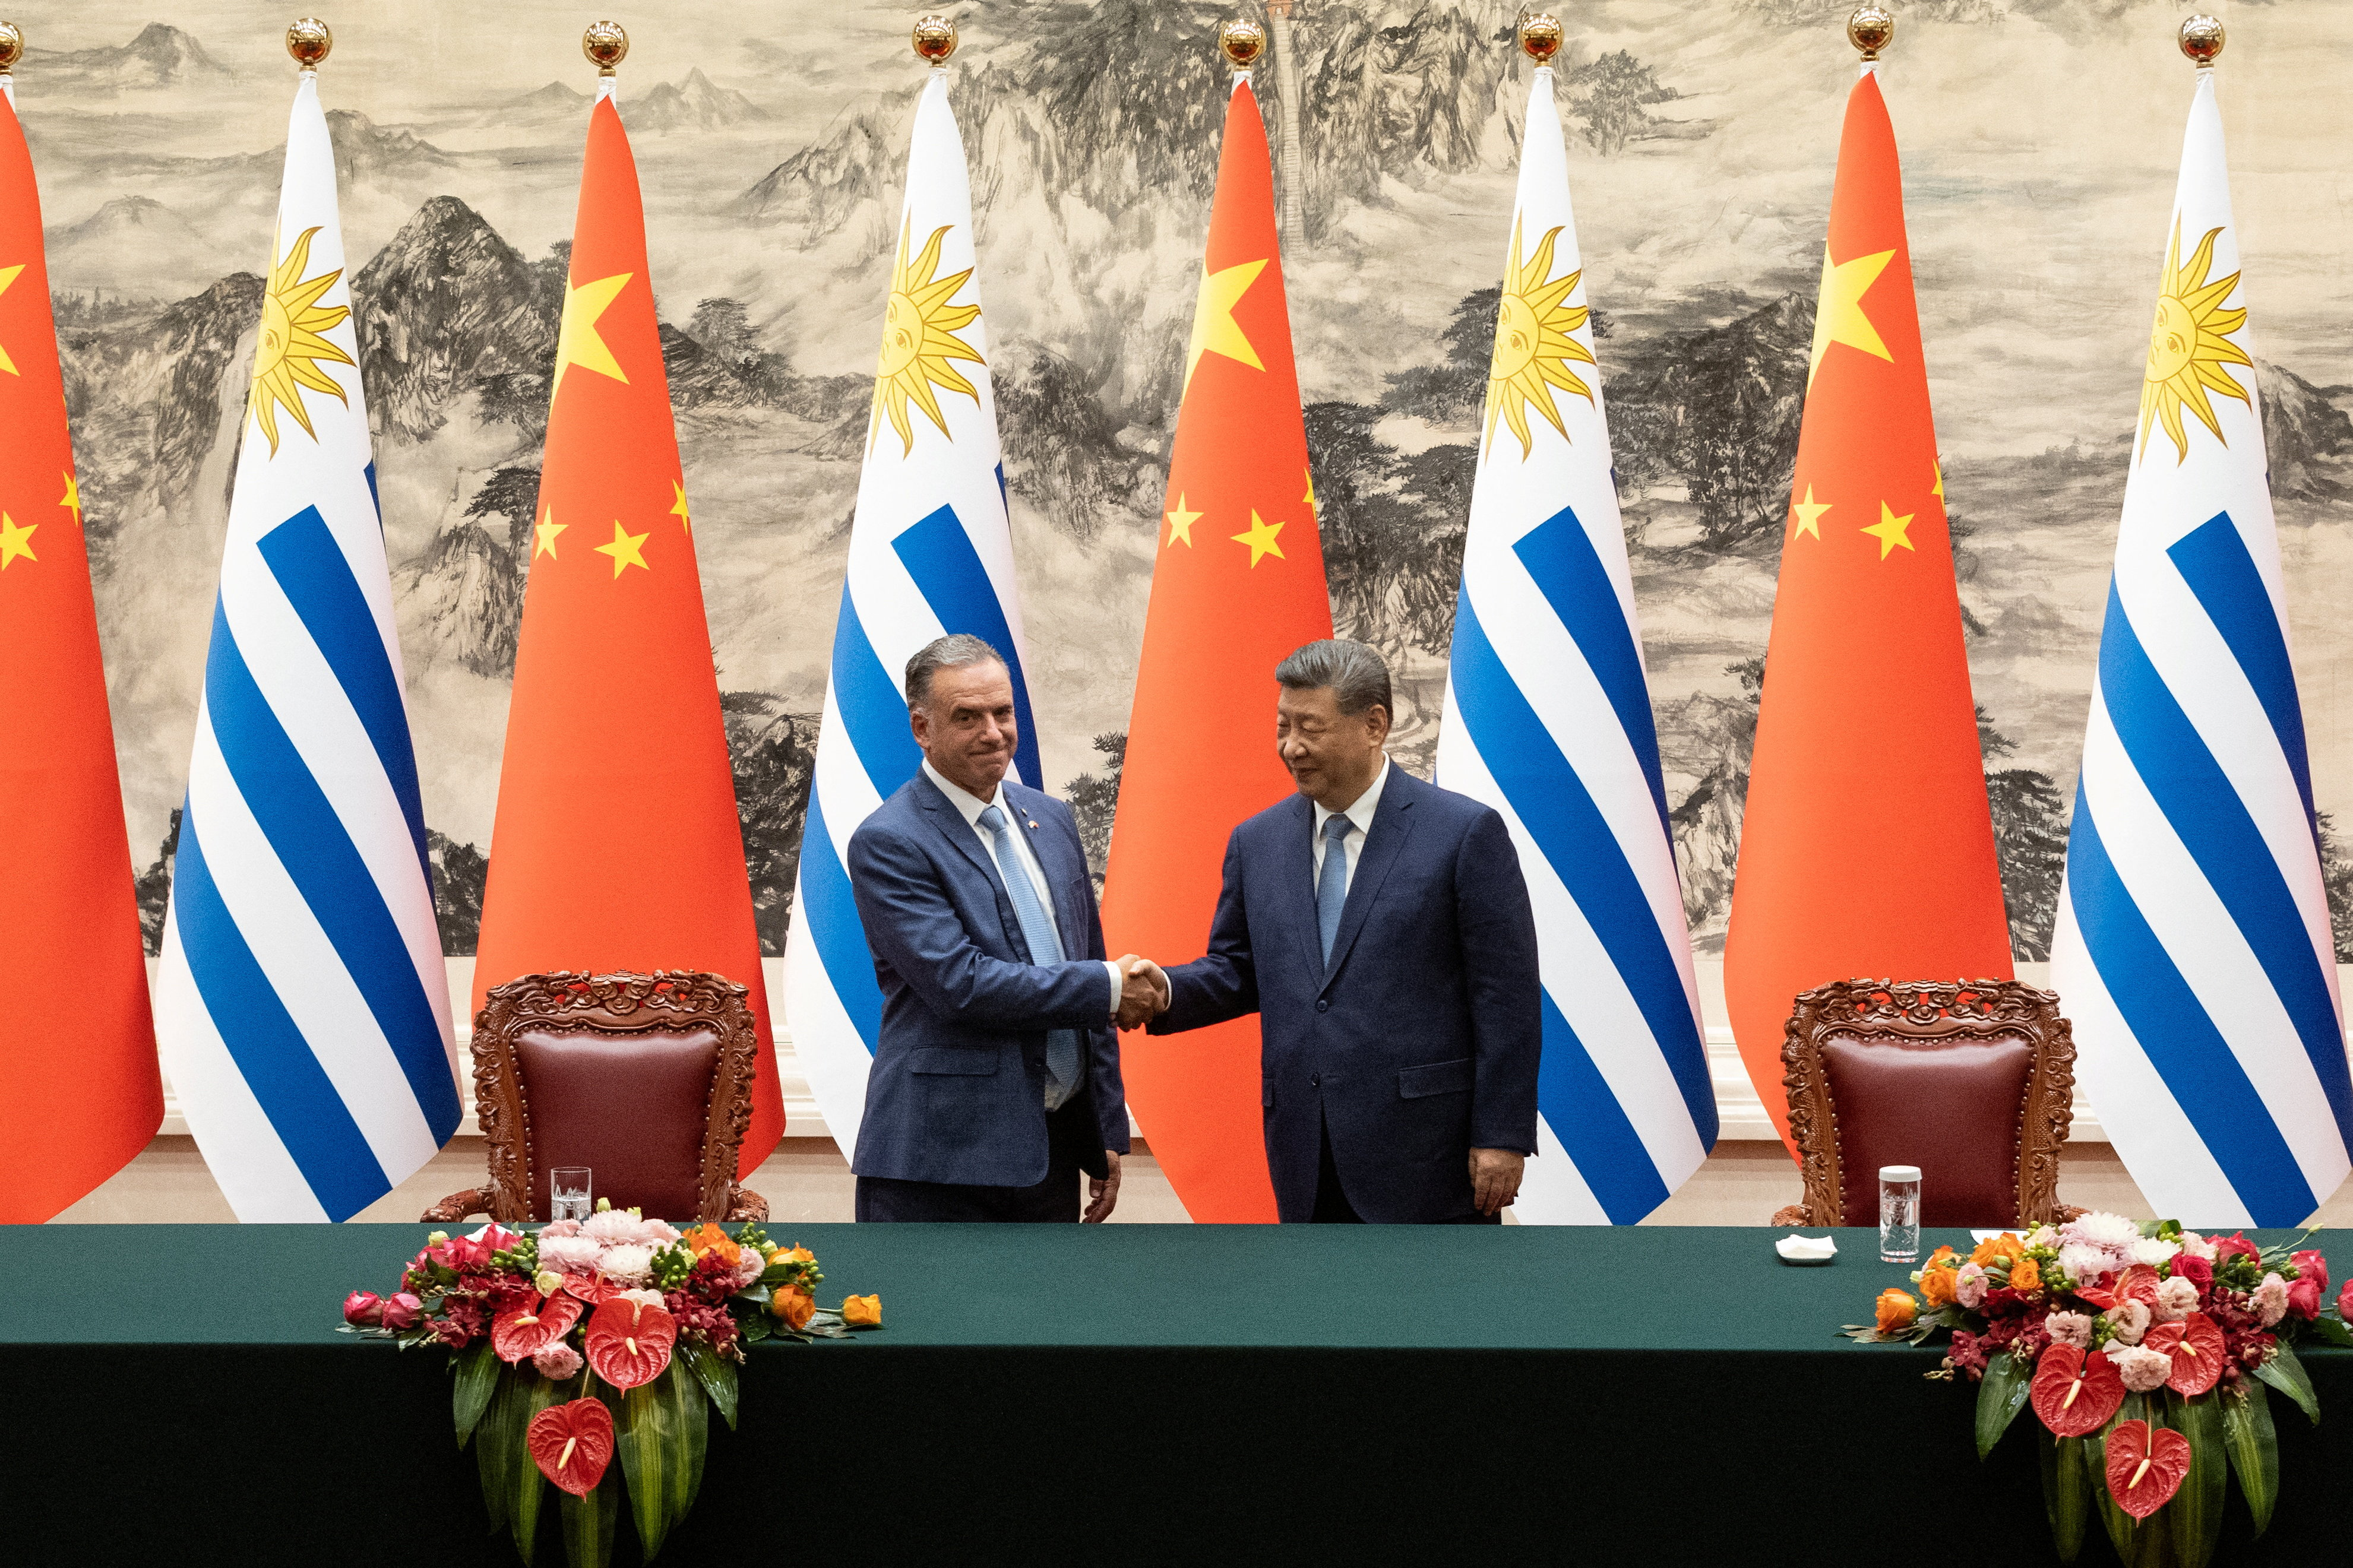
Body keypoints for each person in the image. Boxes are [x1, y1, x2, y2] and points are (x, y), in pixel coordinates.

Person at [1129, 638, 1541, 1223]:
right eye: (1282, 725)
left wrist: (1501, 1133)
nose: (1289, 746)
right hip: (1304, 1151)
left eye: (1309, 727)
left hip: (1428, 1158)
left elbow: (1506, 996)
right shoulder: (1257, 842)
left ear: (1374, 724)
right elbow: (1239, 969)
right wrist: (1163, 991)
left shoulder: (1463, 833)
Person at [846, 633, 1161, 1222]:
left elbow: (1086, 957)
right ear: (922, 728)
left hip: (1050, 1153)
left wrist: (1106, 1127)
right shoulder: (890, 840)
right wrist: (1113, 987)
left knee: (1045, 1317)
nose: (993, 733)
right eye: (967, 717)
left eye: (1003, 712)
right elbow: (962, 984)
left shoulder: (1051, 817)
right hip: (940, 1164)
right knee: (934, 1318)